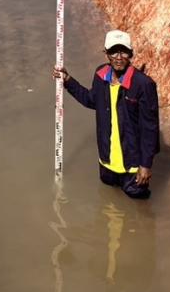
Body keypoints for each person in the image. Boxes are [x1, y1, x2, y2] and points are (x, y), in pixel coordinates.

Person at [54, 30, 160, 199]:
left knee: (138, 207)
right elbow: (91, 100)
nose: (119, 57)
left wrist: (146, 165)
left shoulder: (144, 85)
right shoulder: (100, 76)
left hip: (132, 167)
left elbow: (150, 128)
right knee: (108, 200)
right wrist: (68, 81)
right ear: (106, 54)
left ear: (131, 53)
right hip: (107, 163)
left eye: (123, 51)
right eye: (113, 51)